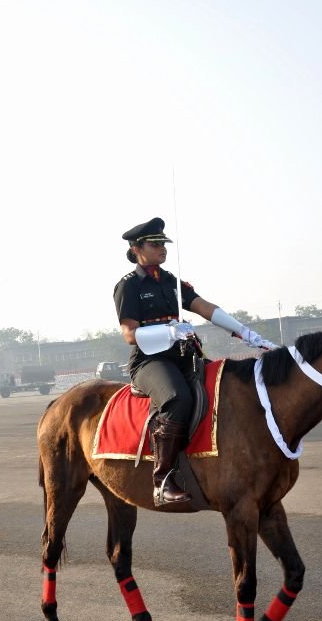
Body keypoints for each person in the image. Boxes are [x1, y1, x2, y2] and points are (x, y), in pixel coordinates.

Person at [113, 216, 277, 507]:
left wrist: (246, 333)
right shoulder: (129, 286)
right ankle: (162, 480)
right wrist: (169, 330)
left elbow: (205, 307)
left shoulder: (170, 282)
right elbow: (129, 334)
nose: (162, 249)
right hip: (149, 362)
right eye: (155, 244)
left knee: (226, 386)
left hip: (183, 356)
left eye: (164, 244)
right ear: (137, 249)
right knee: (178, 398)